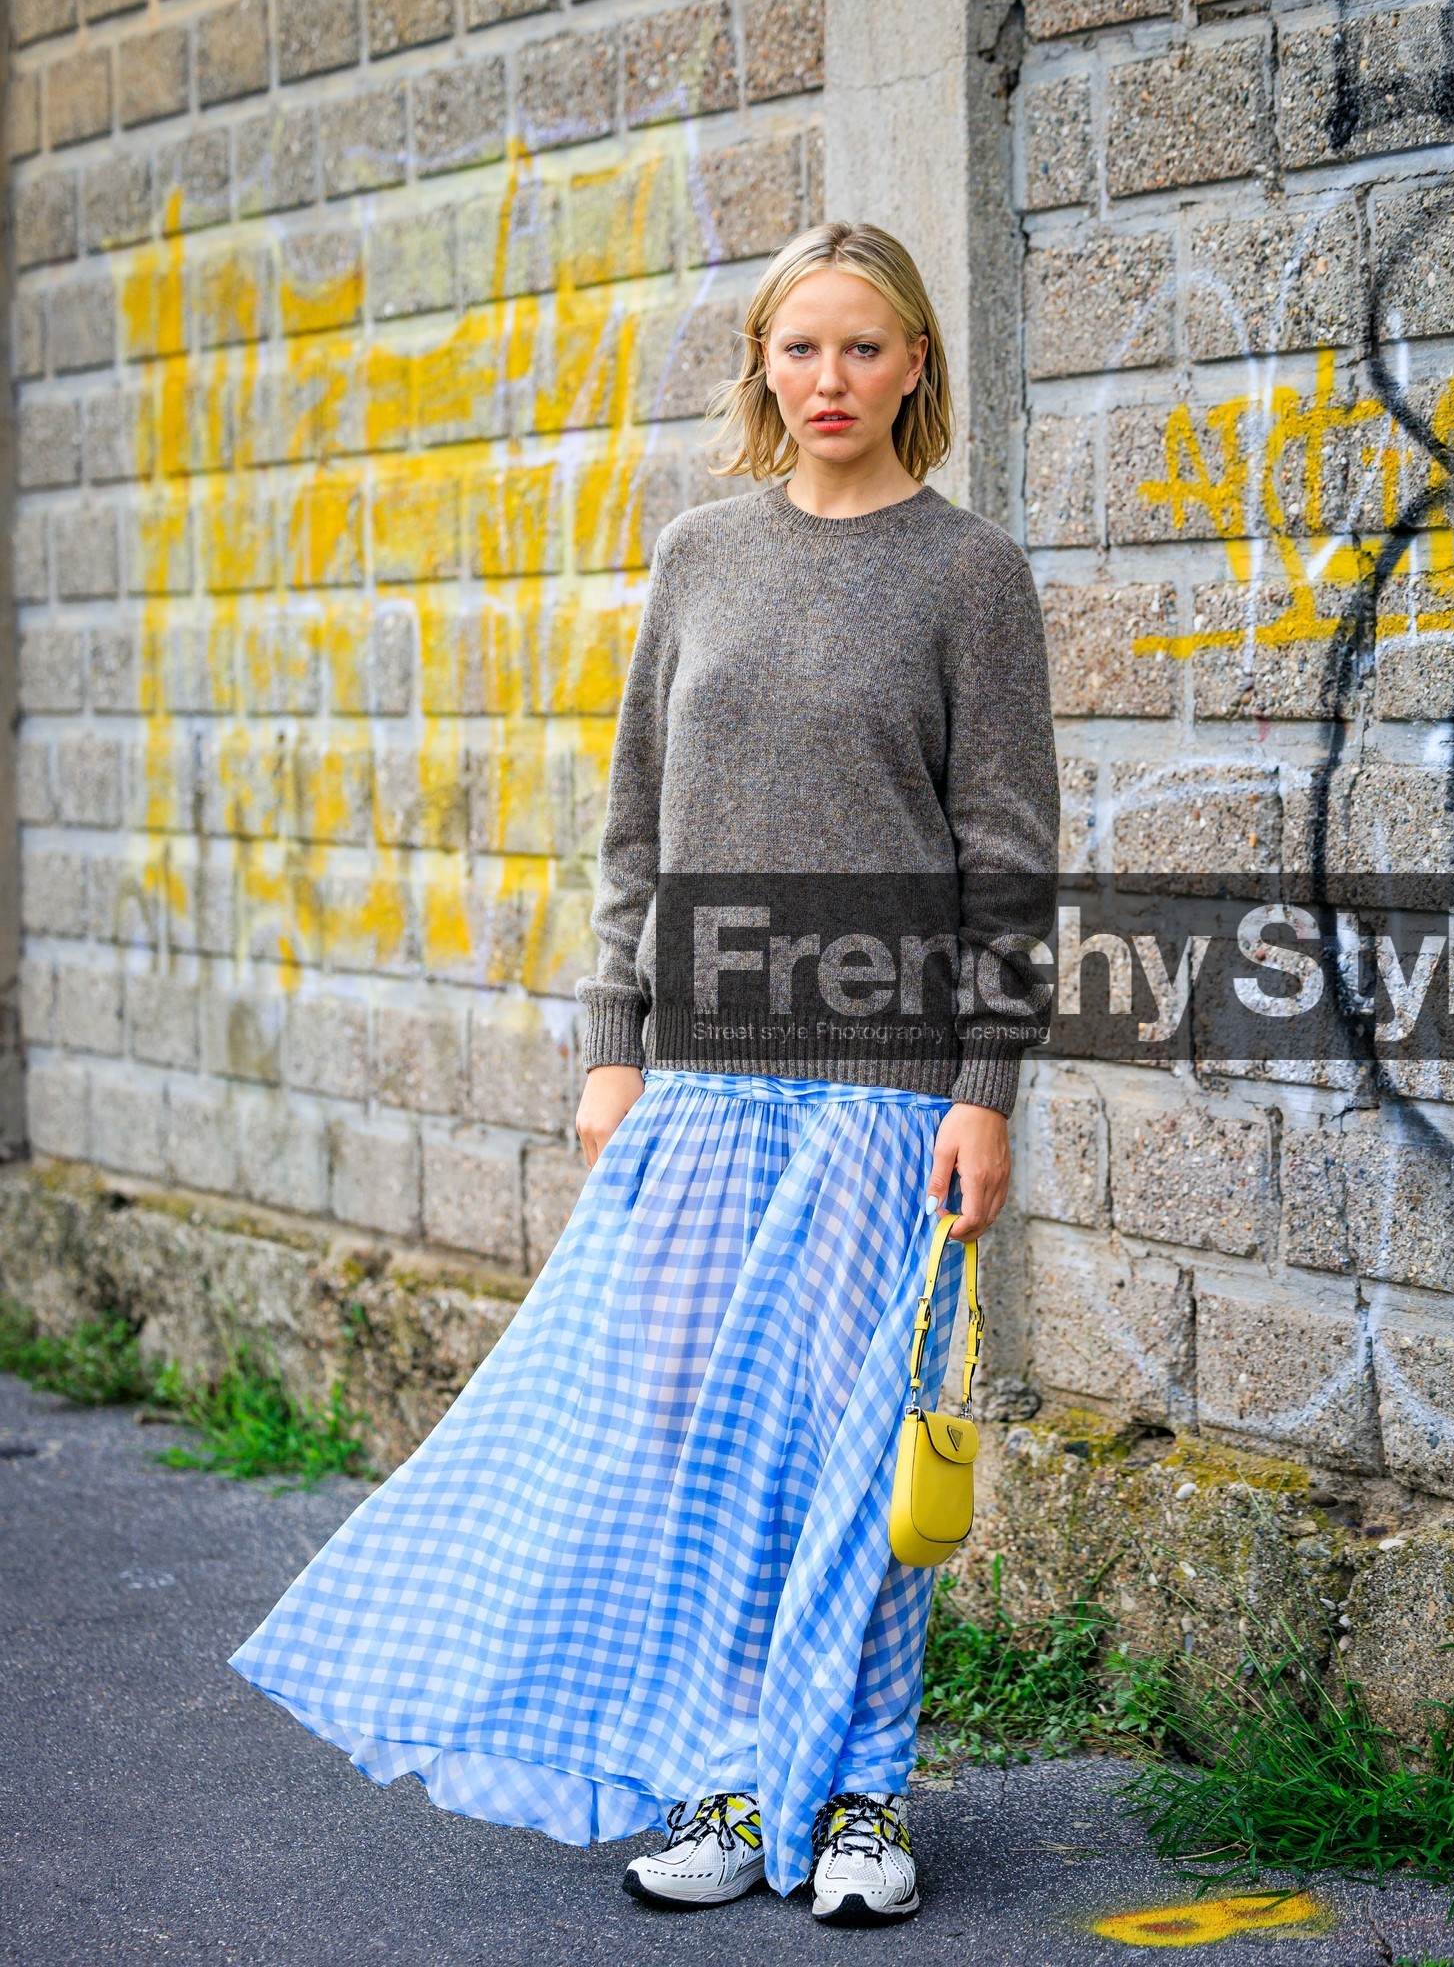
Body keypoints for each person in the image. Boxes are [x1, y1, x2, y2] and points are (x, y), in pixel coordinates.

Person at [230, 221, 1059, 1929]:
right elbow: (633, 834)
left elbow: (1009, 861)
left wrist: (984, 1086)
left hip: (886, 1094)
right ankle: (724, 1770)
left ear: (918, 369)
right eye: (800, 348)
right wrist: (614, 1047)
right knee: (686, 1445)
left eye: (864, 349)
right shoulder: (699, 558)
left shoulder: (970, 576)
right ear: (761, 363)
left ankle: (865, 1803)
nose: (829, 380)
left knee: (852, 1456)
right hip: (701, 1090)